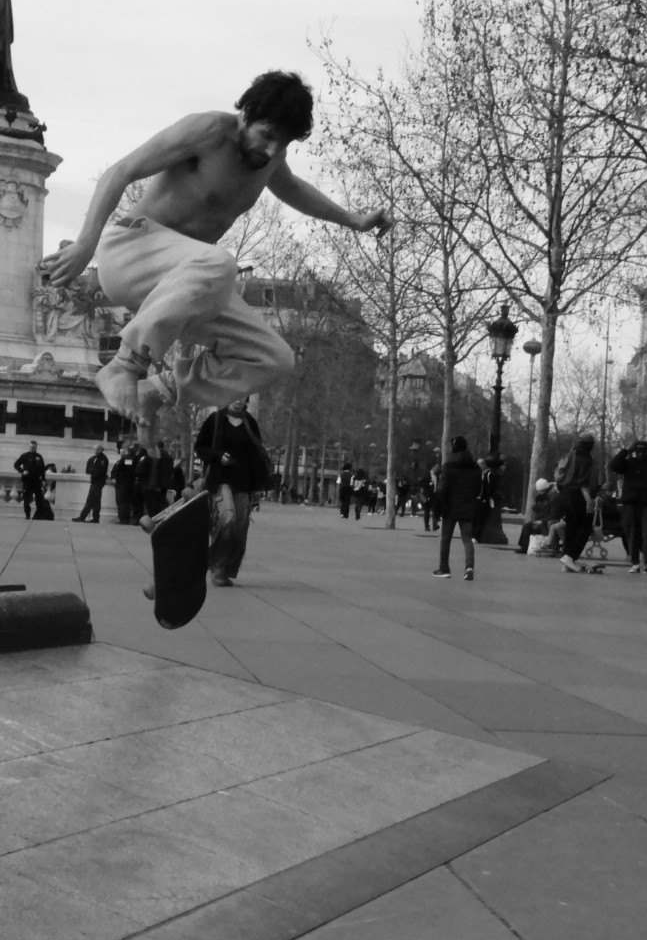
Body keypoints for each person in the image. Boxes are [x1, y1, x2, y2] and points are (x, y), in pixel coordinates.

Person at [39, 72, 390, 440]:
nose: (271, 151)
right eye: (267, 136)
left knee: (273, 358)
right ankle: (125, 365)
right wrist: (84, 245)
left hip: (186, 284)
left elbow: (295, 190)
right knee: (219, 261)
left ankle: (154, 392)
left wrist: (353, 220)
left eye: (282, 144)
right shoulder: (206, 131)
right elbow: (120, 172)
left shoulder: (270, 158)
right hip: (132, 253)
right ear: (248, 113)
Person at [195, 398, 267, 587]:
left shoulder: (249, 423)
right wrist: (218, 456)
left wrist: (258, 486)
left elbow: (257, 454)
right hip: (220, 479)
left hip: (243, 482)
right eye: (234, 397)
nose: (238, 402)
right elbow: (200, 447)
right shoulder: (215, 419)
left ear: (246, 400)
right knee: (227, 518)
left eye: (242, 398)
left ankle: (227, 568)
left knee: (239, 526)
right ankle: (217, 567)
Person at [609, 438, 647, 574]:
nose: (640, 454)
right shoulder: (629, 463)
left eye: (642, 451)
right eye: (638, 451)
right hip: (632, 503)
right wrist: (627, 450)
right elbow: (614, 465)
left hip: (645, 504)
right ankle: (636, 562)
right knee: (633, 533)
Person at [433, 436, 483, 581]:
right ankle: (469, 567)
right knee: (467, 539)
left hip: (450, 508)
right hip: (468, 507)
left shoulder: (448, 466)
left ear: (454, 448)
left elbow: (442, 489)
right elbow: (478, 489)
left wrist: (437, 509)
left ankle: (444, 568)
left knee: (446, 539)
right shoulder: (476, 468)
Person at [555, 433, 598, 572]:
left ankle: (567, 562)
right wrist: (589, 501)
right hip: (579, 495)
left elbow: (560, 472)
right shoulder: (586, 458)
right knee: (586, 527)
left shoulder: (570, 454)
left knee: (571, 527)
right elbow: (583, 482)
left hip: (566, 493)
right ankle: (570, 556)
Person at [75, 443, 109, 522]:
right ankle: (96, 518)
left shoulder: (103, 459)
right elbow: (88, 470)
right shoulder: (93, 458)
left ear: (101, 449)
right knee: (96, 501)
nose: (95, 450)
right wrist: (93, 471)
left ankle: (82, 517)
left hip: (98, 482)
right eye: (94, 449)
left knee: (90, 500)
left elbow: (100, 471)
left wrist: (93, 471)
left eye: (97, 449)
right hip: (94, 481)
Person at [14, 440, 46, 520]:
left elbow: (42, 469)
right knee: (26, 499)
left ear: (36, 447)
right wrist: (22, 471)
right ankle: (27, 514)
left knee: (39, 498)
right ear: (29, 447)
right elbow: (16, 464)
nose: (32, 448)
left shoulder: (39, 456)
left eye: (34, 447)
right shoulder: (24, 455)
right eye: (31, 447)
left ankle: (39, 515)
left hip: (36, 480)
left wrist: (44, 479)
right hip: (27, 480)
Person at [111, 442, 140, 523]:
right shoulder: (137, 459)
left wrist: (115, 478)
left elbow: (118, 469)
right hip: (131, 482)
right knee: (128, 502)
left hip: (123, 483)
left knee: (121, 501)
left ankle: (123, 518)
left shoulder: (125, 459)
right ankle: (127, 518)